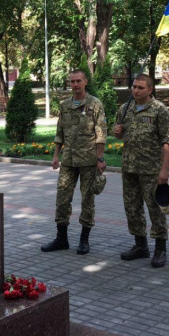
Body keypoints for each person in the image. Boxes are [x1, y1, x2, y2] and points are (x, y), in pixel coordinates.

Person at [41, 69, 107, 255]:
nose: (75, 84)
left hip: (89, 161)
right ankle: (61, 238)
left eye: (78, 81)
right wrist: (56, 155)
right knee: (62, 199)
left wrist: (100, 158)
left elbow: (101, 133)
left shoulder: (95, 104)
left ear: (85, 82)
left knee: (87, 200)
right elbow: (59, 132)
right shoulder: (65, 105)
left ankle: (84, 240)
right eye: (72, 81)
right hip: (68, 160)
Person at [113, 74, 169, 268]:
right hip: (129, 168)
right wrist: (118, 133)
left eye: (140, 87)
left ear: (150, 89)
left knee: (155, 209)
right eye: (134, 87)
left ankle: (160, 249)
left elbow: (167, 141)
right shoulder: (125, 109)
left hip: (151, 169)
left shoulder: (159, 110)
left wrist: (164, 170)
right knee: (132, 207)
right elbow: (119, 135)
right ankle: (140, 245)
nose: (136, 90)